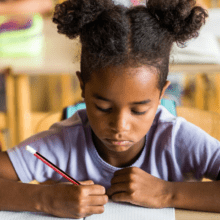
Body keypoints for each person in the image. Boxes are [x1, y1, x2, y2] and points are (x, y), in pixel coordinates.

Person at [0, 0, 217, 219]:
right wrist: (46, 199)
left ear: (161, 94)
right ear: (83, 87)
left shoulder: (177, 140)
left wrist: (166, 193)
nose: (119, 126)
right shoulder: (63, 143)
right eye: (103, 108)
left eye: (139, 110)